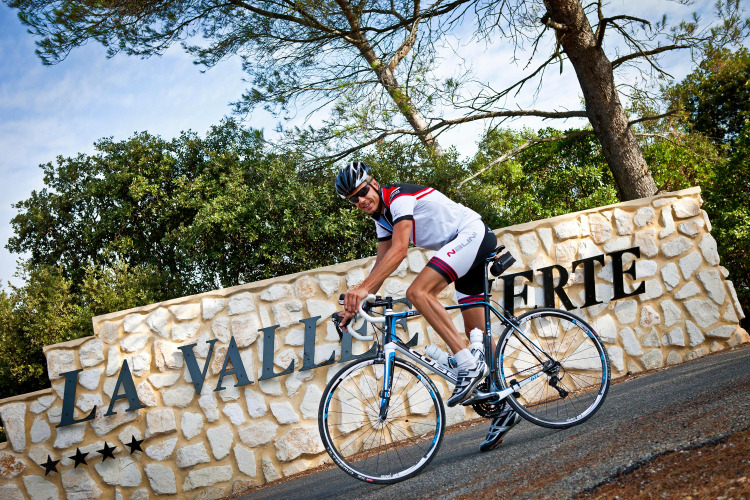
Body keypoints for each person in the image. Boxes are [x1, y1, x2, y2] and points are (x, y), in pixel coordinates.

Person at [335, 160, 520, 452]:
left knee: (418, 293)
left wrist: (360, 290)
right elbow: (382, 263)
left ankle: (467, 368)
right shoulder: (380, 219)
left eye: (361, 192)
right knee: (479, 338)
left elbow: (399, 250)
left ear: (373, 183)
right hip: (461, 249)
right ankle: (504, 406)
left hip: (470, 235)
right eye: (352, 199)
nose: (360, 201)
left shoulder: (398, 198)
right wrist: (355, 304)